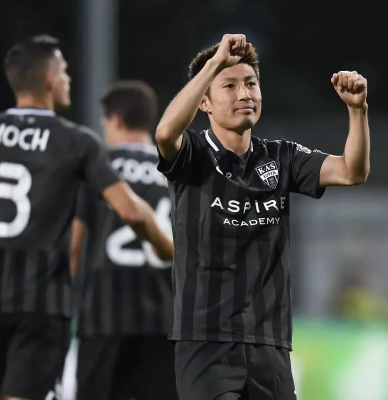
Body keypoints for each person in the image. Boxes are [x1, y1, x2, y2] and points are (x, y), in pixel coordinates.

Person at [0, 35, 173, 400]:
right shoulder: (77, 142)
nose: (69, 79)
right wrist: (167, 248)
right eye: (65, 71)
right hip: (41, 301)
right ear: (50, 80)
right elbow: (132, 211)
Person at [155, 33, 370, 400]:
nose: (245, 94)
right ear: (204, 101)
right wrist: (214, 63)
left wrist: (357, 110)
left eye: (251, 83)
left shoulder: (281, 156)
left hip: (269, 343)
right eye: (229, 85)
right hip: (205, 342)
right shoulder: (193, 153)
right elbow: (164, 133)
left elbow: (352, 171)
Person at [70, 80, 178, 400]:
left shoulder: (96, 167)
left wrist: (61, 306)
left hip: (104, 317)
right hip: (165, 319)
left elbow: (74, 245)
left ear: (114, 119)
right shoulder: (176, 170)